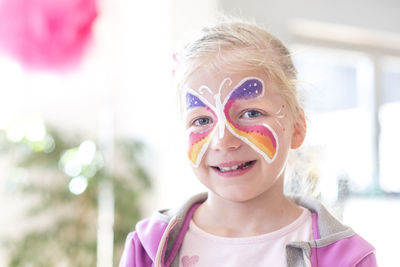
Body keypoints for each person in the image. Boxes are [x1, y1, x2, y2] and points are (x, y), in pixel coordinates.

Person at [119, 19, 377, 267]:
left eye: (251, 113)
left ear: (297, 127)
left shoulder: (347, 258)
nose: (223, 140)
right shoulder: (147, 250)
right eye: (201, 120)